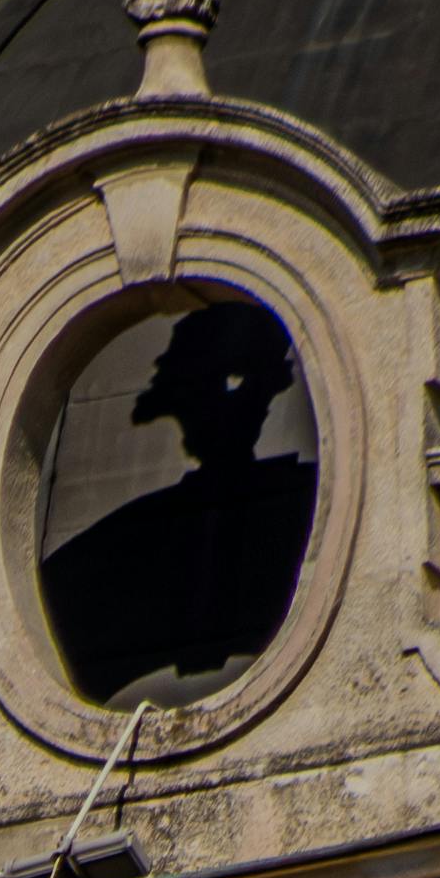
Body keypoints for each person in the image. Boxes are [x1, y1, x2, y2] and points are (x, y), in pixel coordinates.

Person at [39, 290, 317, 707]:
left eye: (237, 386)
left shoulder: (293, 514)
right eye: (194, 394)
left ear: (270, 389)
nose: (213, 412)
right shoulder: (109, 557)